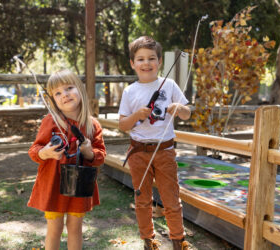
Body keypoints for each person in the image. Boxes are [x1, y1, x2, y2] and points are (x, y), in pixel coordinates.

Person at [118, 36, 191, 250]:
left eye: (151, 58)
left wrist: (180, 108)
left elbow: (186, 113)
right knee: (142, 199)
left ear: (159, 62)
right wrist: (137, 115)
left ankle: (178, 240)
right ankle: (148, 240)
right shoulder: (130, 91)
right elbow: (123, 125)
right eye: (140, 59)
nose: (146, 63)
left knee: (171, 199)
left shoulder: (169, 84)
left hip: (165, 151)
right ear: (132, 63)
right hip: (138, 152)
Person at [28, 69, 106, 250]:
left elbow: (100, 155)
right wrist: (45, 153)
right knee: (54, 228)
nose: (65, 95)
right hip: (54, 184)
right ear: (53, 100)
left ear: (79, 88)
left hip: (80, 184)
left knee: (75, 228)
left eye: (69, 88)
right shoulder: (50, 121)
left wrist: (89, 153)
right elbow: (34, 151)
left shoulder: (92, 124)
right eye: (58, 93)